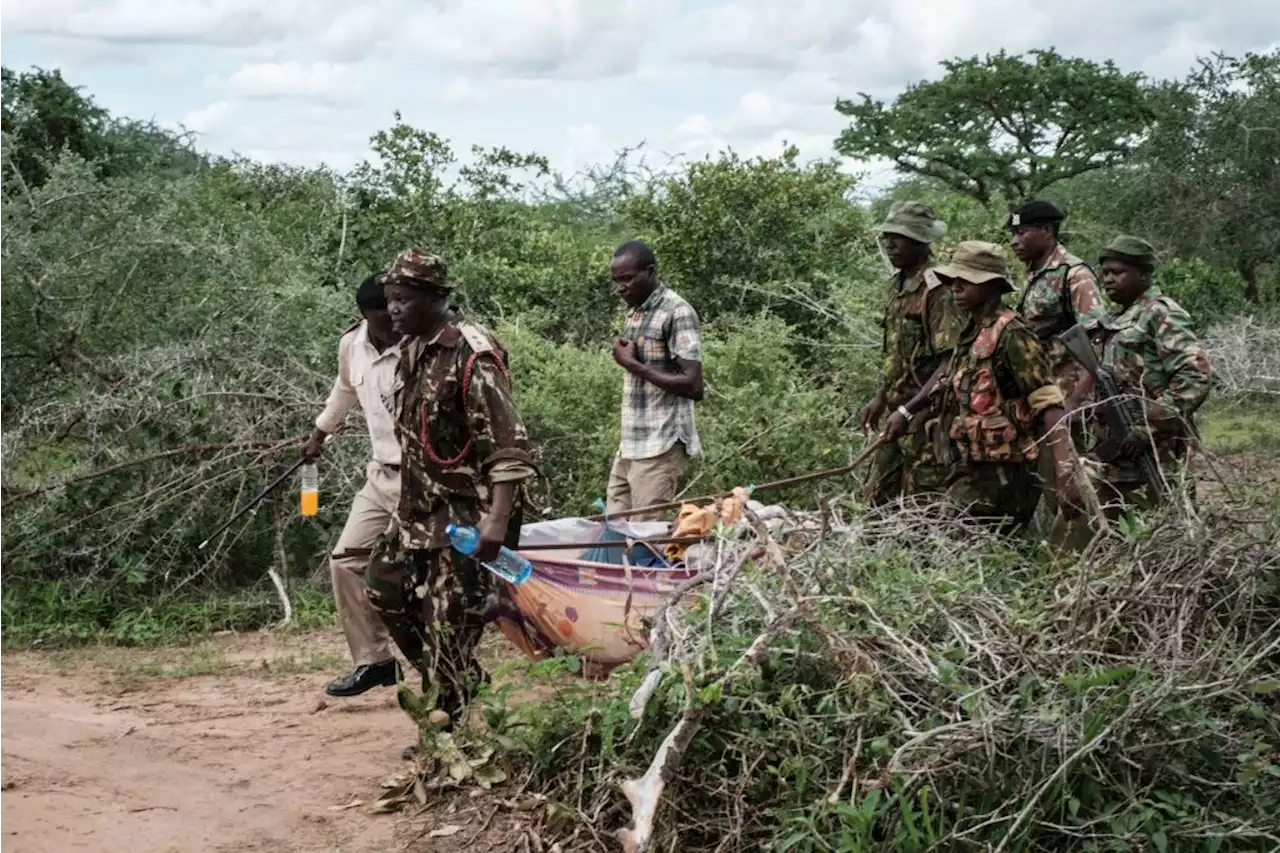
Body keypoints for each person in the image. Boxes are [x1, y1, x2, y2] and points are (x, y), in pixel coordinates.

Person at [363, 249, 538, 745]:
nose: (394, 310)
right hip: (421, 507)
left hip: (469, 511)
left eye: (404, 300)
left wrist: (498, 523)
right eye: (390, 300)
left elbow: (509, 445)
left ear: (436, 298)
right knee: (382, 586)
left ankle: (445, 734)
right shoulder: (414, 348)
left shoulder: (472, 354)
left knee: (448, 622)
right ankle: (456, 678)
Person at [883, 241, 1079, 531]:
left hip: (1006, 474)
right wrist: (907, 412)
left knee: (952, 541)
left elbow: (1048, 403)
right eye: (954, 281)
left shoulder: (1012, 334)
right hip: (973, 467)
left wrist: (1065, 471)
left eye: (967, 282)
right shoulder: (971, 332)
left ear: (992, 286)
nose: (956, 289)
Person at [302, 272, 402, 698]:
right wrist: (319, 434)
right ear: (366, 315)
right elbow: (343, 391)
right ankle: (374, 661)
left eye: (398, 309)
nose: (394, 320)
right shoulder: (352, 345)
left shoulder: (421, 345)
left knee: (421, 574)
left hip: (428, 480)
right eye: (384, 314)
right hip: (382, 475)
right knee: (346, 562)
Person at [1075, 236, 1213, 510]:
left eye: (1119, 272)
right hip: (1116, 448)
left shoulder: (1161, 314)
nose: (1109, 279)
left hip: (1158, 450)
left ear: (1144, 274)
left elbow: (1195, 376)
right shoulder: (1116, 319)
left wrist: (1148, 428)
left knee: (1164, 522)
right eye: (1106, 272)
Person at [859, 201, 967, 505]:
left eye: (899, 237)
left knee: (924, 507)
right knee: (876, 501)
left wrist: (909, 410)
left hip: (927, 416)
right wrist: (881, 396)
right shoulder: (898, 284)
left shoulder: (939, 289)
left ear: (921, 241)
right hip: (897, 412)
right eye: (887, 236)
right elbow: (897, 353)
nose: (890, 243)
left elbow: (951, 359)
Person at [605, 240, 704, 520]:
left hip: (660, 445)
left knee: (644, 540)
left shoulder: (677, 311)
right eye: (616, 281)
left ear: (650, 272)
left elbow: (693, 385)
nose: (620, 287)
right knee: (614, 530)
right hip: (631, 442)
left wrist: (634, 365)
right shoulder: (637, 310)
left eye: (627, 279)